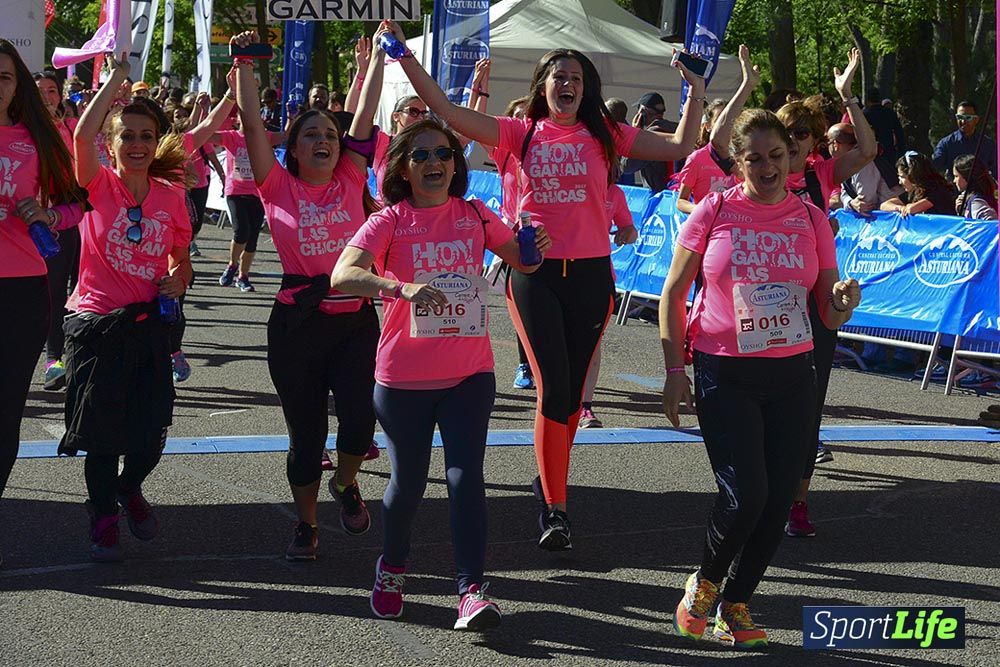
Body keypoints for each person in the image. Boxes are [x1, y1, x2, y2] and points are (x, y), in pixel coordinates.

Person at [386, 18, 706, 550]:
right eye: (558, 75)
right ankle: (555, 508)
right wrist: (403, 57)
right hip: (534, 275)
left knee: (573, 397)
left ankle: (549, 472)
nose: (568, 83)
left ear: (587, 89)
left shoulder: (607, 134)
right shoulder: (521, 132)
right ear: (542, 86)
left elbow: (681, 142)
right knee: (553, 389)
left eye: (576, 76)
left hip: (590, 277)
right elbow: (447, 112)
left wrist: (695, 88)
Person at [331, 112, 551, 630]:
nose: (435, 163)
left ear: (456, 165)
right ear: (403, 168)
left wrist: (531, 248)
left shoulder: (475, 212)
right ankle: (393, 567)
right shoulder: (389, 220)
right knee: (407, 485)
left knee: (464, 479)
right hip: (403, 377)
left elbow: (523, 263)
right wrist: (397, 288)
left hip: (469, 373)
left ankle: (471, 590)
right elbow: (343, 275)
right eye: (422, 155)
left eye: (444, 154)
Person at [660, 107, 861, 648]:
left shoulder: (812, 218)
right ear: (739, 161)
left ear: (792, 157)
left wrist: (842, 301)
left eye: (778, 155)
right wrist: (674, 370)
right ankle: (702, 587)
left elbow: (827, 306)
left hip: (793, 372)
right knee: (745, 493)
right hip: (724, 368)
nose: (768, 166)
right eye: (756, 158)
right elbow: (675, 293)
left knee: (777, 500)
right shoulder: (714, 208)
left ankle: (737, 600)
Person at [232, 30, 383, 560]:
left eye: (329, 134)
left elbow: (362, 116)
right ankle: (307, 523)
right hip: (298, 324)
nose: (324, 139)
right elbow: (253, 124)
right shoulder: (277, 185)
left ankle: (345, 483)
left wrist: (373, 65)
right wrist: (246, 63)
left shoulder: (349, 176)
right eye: (310, 134)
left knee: (361, 421)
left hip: (356, 320)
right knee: (306, 433)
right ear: (292, 149)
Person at [65, 51, 193, 562]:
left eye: (145, 136)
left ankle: (128, 487)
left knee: (150, 435)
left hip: (145, 327)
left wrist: (178, 279)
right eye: (127, 136)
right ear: (111, 144)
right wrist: (117, 78)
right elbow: (79, 137)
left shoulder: (170, 196)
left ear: (156, 141)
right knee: (101, 435)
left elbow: (180, 260)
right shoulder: (99, 185)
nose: (137, 144)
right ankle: (102, 517)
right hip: (95, 324)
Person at [776, 50, 877, 538]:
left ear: (814, 142)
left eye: (802, 135)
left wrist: (848, 97)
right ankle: (761, 491)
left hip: (815, 304)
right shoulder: (760, 174)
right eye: (787, 133)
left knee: (809, 402)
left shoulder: (820, 175)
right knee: (766, 401)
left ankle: (798, 500)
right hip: (766, 303)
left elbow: (869, 152)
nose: (794, 142)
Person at [0, 42, 86, 554]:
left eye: (6, 77)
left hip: (22, 290)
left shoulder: (40, 138)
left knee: (6, 410)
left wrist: (48, 216)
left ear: (19, 87)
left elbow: (78, 207)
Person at [34, 71, 83, 391]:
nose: (46, 97)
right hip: (46, 219)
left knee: (81, 290)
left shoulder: (72, 126)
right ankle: (54, 358)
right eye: (40, 91)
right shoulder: (26, 129)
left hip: (80, 215)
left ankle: (78, 355)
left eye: (52, 90)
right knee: (54, 292)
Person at [675, 45, 759, 214]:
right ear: (708, 126)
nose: (728, 124)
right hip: (708, 227)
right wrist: (703, 210)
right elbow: (681, 201)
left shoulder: (742, 156)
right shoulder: (697, 158)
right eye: (721, 119)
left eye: (731, 119)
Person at [579, 183, 637, 428]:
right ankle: (558, 399)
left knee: (592, 344)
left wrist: (627, 233)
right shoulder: (569, 185)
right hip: (557, 272)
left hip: (599, 275)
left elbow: (630, 229)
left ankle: (585, 407)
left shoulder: (614, 193)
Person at [213, 108, 284, 292]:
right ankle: (232, 265)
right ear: (236, 119)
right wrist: (209, 113)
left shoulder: (264, 138)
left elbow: (286, 135)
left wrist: (291, 116)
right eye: (242, 115)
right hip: (235, 192)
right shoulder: (231, 136)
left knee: (252, 238)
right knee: (241, 230)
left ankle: (243, 277)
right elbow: (206, 136)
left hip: (257, 193)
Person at [829, 123, 892, 214]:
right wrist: (850, 203)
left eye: (828, 143)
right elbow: (844, 194)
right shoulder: (847, 161)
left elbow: (866, 204)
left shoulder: (862, 162)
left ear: (835, 145)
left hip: (890, 217)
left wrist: (852, 204)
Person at [622, 91, 678, 193]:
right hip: (678, 194)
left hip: (658, 198)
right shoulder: (677, 129)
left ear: (643, 113)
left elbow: (626, 167)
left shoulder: (649, 137)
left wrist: (634, 133)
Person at [933, 101, 998, 179]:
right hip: (954, 190)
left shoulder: (988, 144)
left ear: (976, 119)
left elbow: (996, 172)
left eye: (968, 118)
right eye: (960, 117)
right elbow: (935, 168)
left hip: (981, 190)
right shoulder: (946, 144)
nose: (963, 121)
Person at [881, 151, 957, 217]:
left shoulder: (938, 190)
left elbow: (912, 209)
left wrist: (907, 207)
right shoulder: (915, 191)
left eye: (902, 177)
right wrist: (899, 208)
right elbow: (884, 205)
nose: (900, 182)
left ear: (913, 175)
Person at [862, 88, 906, 189]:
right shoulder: (890, 113)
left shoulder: (865, 114)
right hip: (889, 151)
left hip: (871, 154)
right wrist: (901, 152)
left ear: (867, 100)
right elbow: (899, 134)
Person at [954, 154, 998, 220]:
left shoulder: (976, 203)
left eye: (956, 176)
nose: (954, 181)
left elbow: (992, 224)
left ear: (966, 176)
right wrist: (962, 211)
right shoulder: (969, 199)